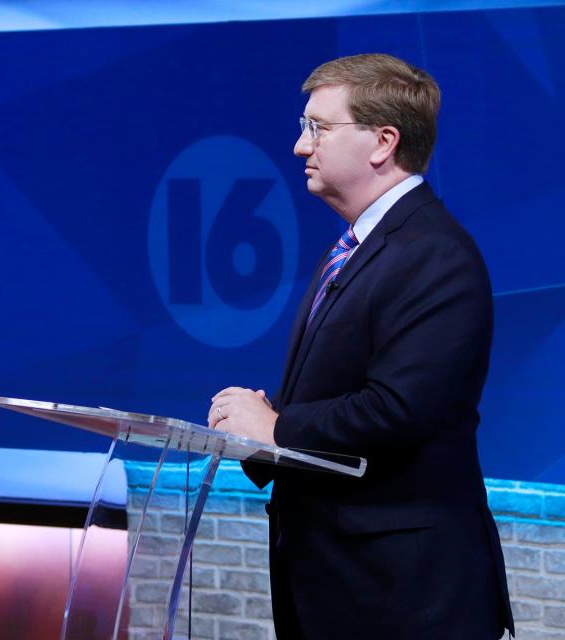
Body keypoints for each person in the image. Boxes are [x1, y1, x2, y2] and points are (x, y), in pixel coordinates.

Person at [207, 54, 513, 639]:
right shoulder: (355, 246)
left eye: (318, 128)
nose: (301, 146)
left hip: (402, 597)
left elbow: (399, 409)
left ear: (383, 141)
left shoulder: (433, 253)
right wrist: (256, 430)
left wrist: (277, 427)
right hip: (336, 585)